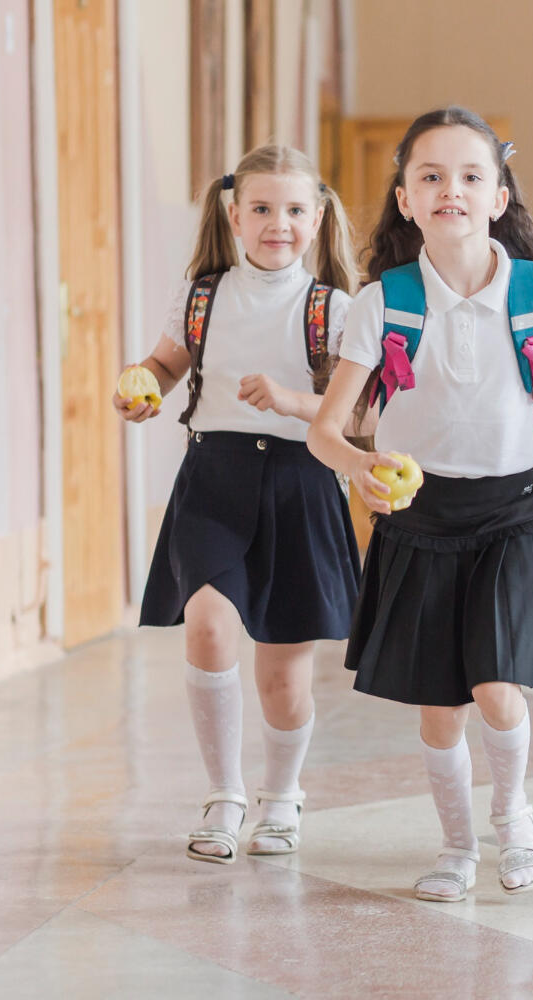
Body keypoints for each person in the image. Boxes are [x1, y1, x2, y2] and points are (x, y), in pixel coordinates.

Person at [307, 107, 533, 903]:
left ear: (500, 196)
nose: (452, 190)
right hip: (415, 522)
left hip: (512, 517)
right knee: (440, 710)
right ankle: (455, 847)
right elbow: (325, 431)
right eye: (431, 176)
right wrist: (363, 469)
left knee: (497, 688)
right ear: (404, 198)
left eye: (471, 176)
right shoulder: (382, 302)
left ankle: (515, 821)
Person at [115, 144, 362, 864]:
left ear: (315, 218)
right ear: (234, 213)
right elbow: (164, 365)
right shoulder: (201, 295)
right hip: (213, 482)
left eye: (292, 210)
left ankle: (281, 800)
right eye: (260, 208)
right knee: (209, 627)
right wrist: (142, 387)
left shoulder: (333, 309)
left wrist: (290, 400)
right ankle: (223, 796)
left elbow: (360, 412)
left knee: (285, 674)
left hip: (303, 482)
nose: (275, 223)